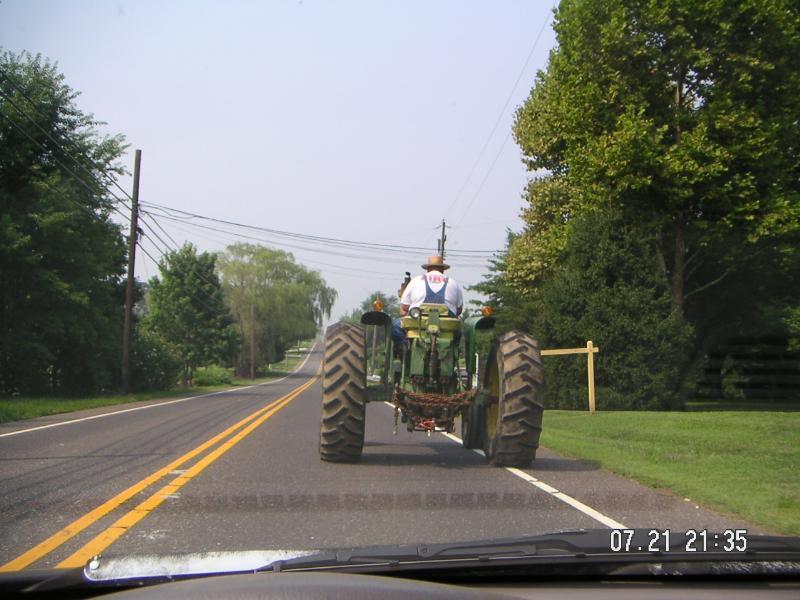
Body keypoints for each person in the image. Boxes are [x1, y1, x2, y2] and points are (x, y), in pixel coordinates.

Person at [392, 255, 464, 347]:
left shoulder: (416, 280)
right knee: (458, 331)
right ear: (442, 270)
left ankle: (406, 352)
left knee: (395, 326)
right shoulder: (453, 283)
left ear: (427, 269)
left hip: (418, 321)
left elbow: (404, 307)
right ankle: (453, 354)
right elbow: (459, 310)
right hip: (446, 325)